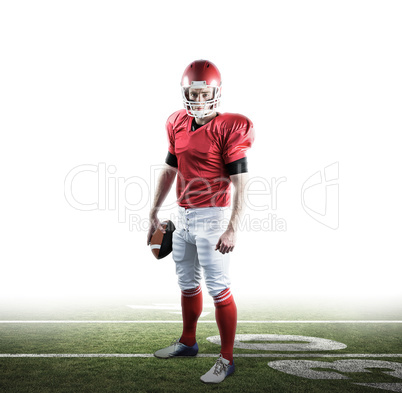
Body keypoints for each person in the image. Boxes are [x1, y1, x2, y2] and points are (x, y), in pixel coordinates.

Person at [147, 59, 255, 384]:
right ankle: (188, 342)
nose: (198, 100)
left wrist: (233, 225)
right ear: (185, 94)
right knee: (186, 282)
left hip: (212, 217)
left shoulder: (231, 126)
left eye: (204, 93)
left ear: (216, 93)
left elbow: (241, 182)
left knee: (219, 288)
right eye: (192, 94)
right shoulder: (176, 122)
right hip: (181, 215)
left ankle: (227, 359)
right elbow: (170, 168)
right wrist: (154, 210)